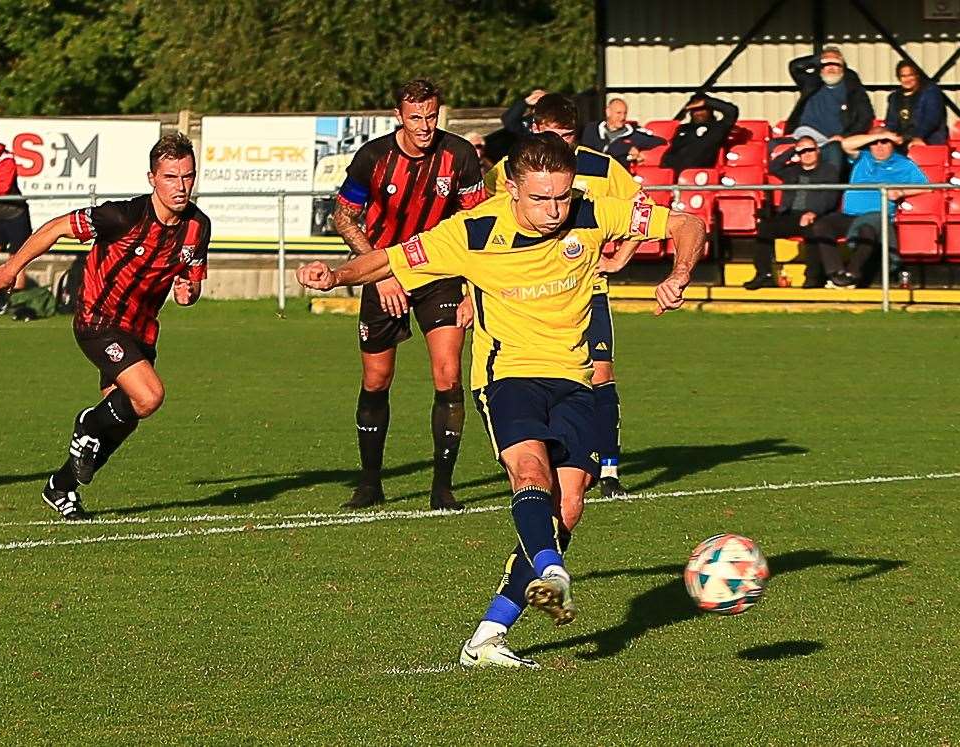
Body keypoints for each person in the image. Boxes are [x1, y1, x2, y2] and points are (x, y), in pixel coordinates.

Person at [297, 133, 705, 669]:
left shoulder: (593, 211)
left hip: (576, 379)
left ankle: (487, 638)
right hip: (508, 375)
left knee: (570, 506)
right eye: (540, 198)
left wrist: (678, 274)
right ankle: (551, 568)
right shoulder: (474, 230)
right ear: (511, 188)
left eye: (561, 196)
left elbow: (686, 224)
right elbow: (389, 261)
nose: (554, 210)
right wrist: (337, 274)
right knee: (530, 473)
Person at [0, 133, 210, 521]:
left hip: (141, 330)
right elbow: (56, 228)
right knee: (149, 396)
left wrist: (189, 292)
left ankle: (61, 486)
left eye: (187, 176)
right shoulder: (121, 216)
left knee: (125, 417)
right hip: (98, 319)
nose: (181, 186)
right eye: (171, 177)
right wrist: (11, 267)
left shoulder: (197, 227)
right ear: (152, 178)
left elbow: (191, 286)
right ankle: (86, 423)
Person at [331, 79, 487, 512]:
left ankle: (442, 487)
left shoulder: (458, 155)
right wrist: (380, 271)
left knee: (448, 376)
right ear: (399, 115)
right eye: (416, 117)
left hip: (440, 274)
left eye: (432, 116)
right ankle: (369, 483)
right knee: (377, 379)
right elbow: (342, 217)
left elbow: (478, 227)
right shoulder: (374, 157)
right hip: (384, 276)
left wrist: (473, 290)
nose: (425, 125)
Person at [486, 93, 644, 499]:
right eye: (553, 133)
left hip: (587, 290)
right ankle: (539, 459)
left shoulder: (602, 167)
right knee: (536, 378)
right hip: (528, 296)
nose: (562, 143)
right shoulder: (513, 168)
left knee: (602, 373)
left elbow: (643, 208)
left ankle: (608, 467)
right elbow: (485, 223)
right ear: (535, 129)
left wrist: (621, 256)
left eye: (569, 135)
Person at [811, 128, 928, 287]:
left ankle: (851, 274)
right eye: (874, 142)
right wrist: (882, 135)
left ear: (892, 145)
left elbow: (927, 187)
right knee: (822, 225)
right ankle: (836, 273)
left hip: (876, 216)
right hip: (849, 215)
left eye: (885, 143)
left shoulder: (904, 164)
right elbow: (845, 144)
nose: (879, 146)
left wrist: (901, 191)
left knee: (867, 231)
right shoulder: (862, 158)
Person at [743, 135, 842, 290]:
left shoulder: (829, 171)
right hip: (790, 215)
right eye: (803, 151)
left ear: (818, 151)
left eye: (811, 150)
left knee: (814, 230)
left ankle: (813, 277)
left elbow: (830, 197)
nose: (807, 154)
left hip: (816, 215)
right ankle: (764, 275)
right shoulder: (792, 171)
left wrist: (813, 212)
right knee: (765, 228)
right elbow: (774, 167)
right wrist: (792, 150)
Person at [785, 46, 875, 169]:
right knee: (773, 146)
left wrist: (845, 136)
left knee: (835, 152)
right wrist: (818, 59)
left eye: (836, 63)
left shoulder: (852, 89)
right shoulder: (811, 82)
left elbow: (866, 116)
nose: (831, 67)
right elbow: (795, 67)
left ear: (843, 67)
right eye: (827, 64)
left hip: (832, 140)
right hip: (804, 134)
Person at [0, 124, 32, 313]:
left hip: (16, 216)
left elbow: (3, 186)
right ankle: (1, 298)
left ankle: (20, 305)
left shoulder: (6, 157)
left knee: (16, 262)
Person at [661, 94, 739, 173]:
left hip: (698, 175)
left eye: (702, 109)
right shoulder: (683, 128)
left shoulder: (718, 128)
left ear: (710, 110)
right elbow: (672, 151)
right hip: (672, 175)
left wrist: (706, 102)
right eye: (695, 110)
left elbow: (732, 110)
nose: (698, 113)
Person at [580, 98, 666, 168]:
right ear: (608, 112)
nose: (622, 117)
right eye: (618, 113)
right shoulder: (591, 129)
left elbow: (661, 141)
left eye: (625, 113)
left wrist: (637, 150)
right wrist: (625, 148)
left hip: (620, 177)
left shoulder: (634, 134)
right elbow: (586, 155)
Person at [884, 60, 947, 147]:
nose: (907, 79)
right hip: (902, 141)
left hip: (928, 141)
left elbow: (931, 119)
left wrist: (918, 137)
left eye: (910, 75)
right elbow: (891, 122)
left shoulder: (930, 92)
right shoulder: (895, 97)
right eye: (903, 76)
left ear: (917, 76)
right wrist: (891, 137)